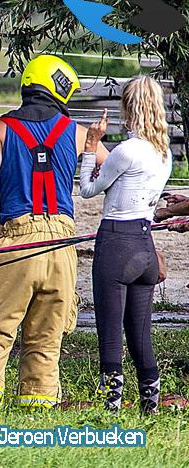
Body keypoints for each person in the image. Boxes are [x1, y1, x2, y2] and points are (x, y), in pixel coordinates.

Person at [0, 54, 109, 409]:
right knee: (47, 335)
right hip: (62, 242)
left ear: (28, 83)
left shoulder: (2, 127)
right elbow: (117, 168)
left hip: (16, 240)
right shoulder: (76, 133)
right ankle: (37, 408)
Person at [80, 76, 172, 414]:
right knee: (140, 335)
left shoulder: (125, 151)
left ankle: (111, 410)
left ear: (127, 108)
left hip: (116, 243)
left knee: (109, 332)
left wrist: (91, 145)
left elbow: (87, 190)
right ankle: (151, 407)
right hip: (145, 246)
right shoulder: (163, 155)